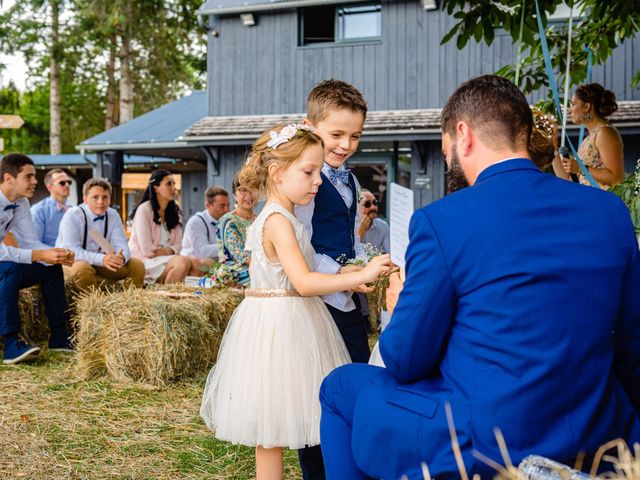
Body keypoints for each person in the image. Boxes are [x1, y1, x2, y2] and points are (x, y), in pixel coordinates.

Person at [319, 75, 640, 479]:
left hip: (487, 444)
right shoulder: (608, 213)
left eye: (444, 145)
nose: (445, 156)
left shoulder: (442, 220)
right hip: (597, 436)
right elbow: (632, 345)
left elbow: (404, 361)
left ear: (463, 135)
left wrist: (400, 308)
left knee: (339, 386)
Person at [200, 123, 391, 480]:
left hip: (293, 318)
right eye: (309, 172)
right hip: (279, 326)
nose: (318, 181)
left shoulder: (284, 217)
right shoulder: (277, 221)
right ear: (276, 171)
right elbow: (303, 282)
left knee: (281, 428)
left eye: (319, 171)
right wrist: (359, 276)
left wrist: (347, 281)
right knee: (270, 429)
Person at [294, 79, 371, 480]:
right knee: (317, 388)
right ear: (311, 127)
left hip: (349, 299)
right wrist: (341, 274)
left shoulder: (351, 180)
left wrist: (366, 263)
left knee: (356, 374)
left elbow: (348, 236)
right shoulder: (304, 180)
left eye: (354, 136)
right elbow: (301, 245)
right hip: (318, 301)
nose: (345, 144)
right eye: (336, 134)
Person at [0, 153, 75, 365]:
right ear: (8, 178)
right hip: (3, 266)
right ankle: (11, 344)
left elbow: (30, 242)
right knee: (10, 268)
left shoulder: (21, 202)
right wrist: (40, 255)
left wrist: (56, 254)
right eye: (29, 177)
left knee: (50, 268)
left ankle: (60, 337)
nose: (35, 181)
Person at [56, 177, 145, 291]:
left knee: (137, 266)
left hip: (100, 261)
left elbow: (122, 245)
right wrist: (102, 259)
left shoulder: (113, 215)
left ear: (110, 199)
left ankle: (130, 304)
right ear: (85, 198)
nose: (101, 202)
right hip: (71, 261)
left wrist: (121, 257)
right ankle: (90, 307)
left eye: (105, 197)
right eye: (95, 197)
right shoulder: (72, 215)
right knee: (83, 270)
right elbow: (73, 251)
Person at [553, 83, 624, 189]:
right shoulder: (588, 139)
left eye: (573, 104)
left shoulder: (605, 133)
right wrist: (552, 148)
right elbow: (568, 179)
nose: (569, 110)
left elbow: (616, 177)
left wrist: (580, 168)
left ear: (587, 107)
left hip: (604, 202)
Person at [128, 169, 191, 284]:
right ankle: (167, 298)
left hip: (167, 260)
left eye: (174, 184)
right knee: (182, 262)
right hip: (144, 262)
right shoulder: (144, 210)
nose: (173, 188)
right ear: (156, 188)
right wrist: (170, 251)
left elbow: (179, 246)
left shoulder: (174, 212)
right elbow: (147, 250)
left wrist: (165, 251)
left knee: (196, 262)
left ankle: (186, 298)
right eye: (168, 184)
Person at [216, 176, 256, 286]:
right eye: (243, 190)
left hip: (257, 267)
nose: (249, 195)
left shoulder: (260, 220)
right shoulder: (228, 221)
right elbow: (242, 256)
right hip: (234, 272)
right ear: (234, 195)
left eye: (252, 189)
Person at [181, 186, 230, 270]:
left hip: (215, 264)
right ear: (208, 205)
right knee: (208, 262)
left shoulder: (226, 221)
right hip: (191, 267)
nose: (227, 210)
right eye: (222, 206)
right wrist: (229, 246)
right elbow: (203, 252)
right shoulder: (196, 222)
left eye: (228, 205)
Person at [31, 168, 73, 247]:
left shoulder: (74, 209)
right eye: (62, 183)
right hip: (48, 257)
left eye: (69, 182)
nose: (67, 185)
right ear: (50, 187)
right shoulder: (38, 210)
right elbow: (34, 243)